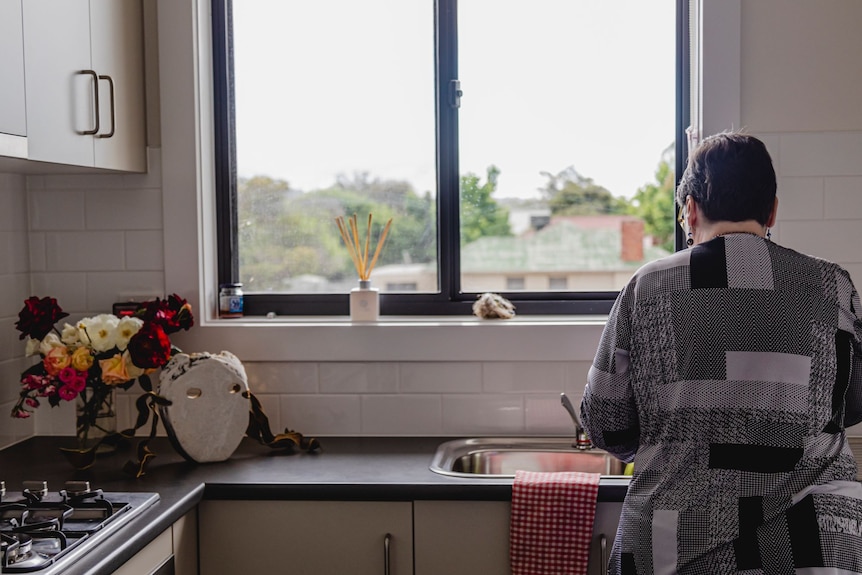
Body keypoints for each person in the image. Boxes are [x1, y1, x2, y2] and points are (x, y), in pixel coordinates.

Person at [580, 132, 862, 574]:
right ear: (771, 211)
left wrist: (680, 437)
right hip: (812, 543)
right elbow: (850, 401)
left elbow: (604, 423)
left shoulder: (647, 288)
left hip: (672, 544)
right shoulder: (833, 286)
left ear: (689, 210)